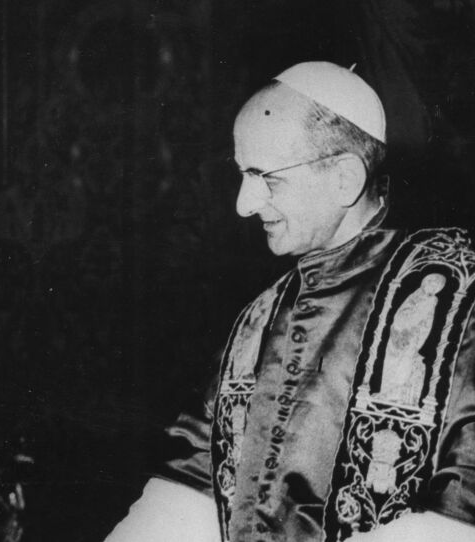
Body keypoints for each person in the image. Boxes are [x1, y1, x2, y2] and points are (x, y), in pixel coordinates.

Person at [104, 61, 475, 541]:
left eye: (265, 176)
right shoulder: (260, 315)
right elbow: (193, 480)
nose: (244, 203)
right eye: (241, 173)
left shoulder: (458, 295)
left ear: (345, 178)